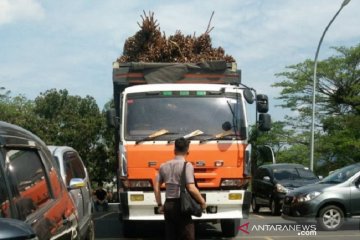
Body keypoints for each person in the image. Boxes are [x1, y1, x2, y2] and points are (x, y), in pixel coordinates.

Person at [154, 137, 206, 240]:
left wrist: (160, 205)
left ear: (174, 151)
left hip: (168, 204)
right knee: (188, 236)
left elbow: (156, 187)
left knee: (171, 236)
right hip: (182, 205)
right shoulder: (187, 166)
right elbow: (191, 187)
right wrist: (202, 202)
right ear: (188, 152)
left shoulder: (163, 166)